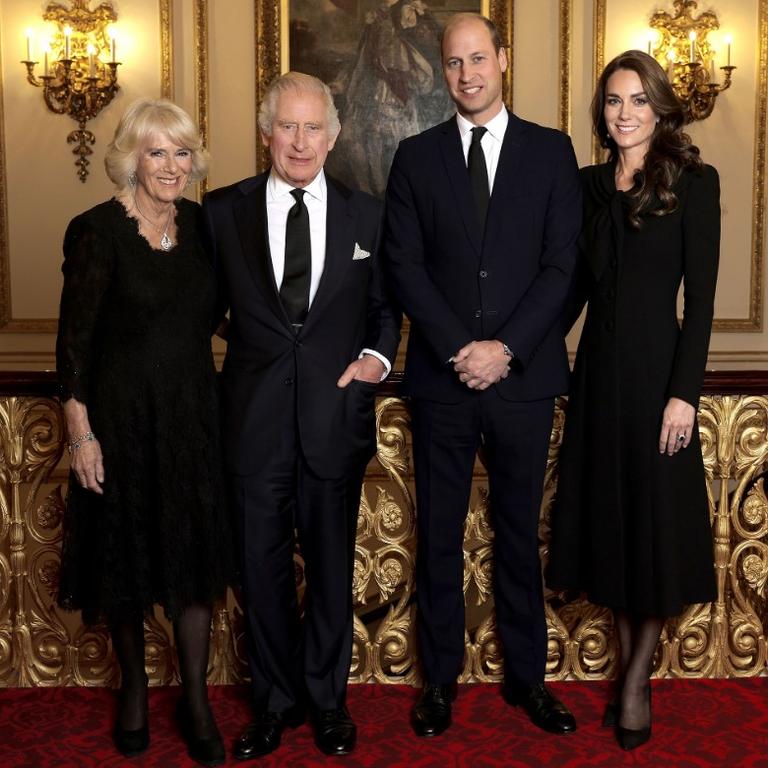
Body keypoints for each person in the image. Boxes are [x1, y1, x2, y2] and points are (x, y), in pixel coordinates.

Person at [383, 13, 581, 738]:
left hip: (523, 382)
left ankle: (527, 680)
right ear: (443, 71)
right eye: (453, 62)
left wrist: (506, 349)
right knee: (436, 535)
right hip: (442, 382)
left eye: (478, 58)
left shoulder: (552, 152)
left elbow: (563, 266)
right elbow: (403, 266)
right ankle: (439, 683)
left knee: (518, 534)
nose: (467, 73)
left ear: (502, 59)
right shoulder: (415, 157)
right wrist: (461, 348)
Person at [203, 72, 400, 759]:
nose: (300, 141)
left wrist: (374, 359)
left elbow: (383, 309)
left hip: (331, 422)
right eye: (287, 126)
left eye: (313, 127)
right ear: (266, 133)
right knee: (260, 578)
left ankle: (326, 702)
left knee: (329, 572)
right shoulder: (220, 210)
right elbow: (196, 308)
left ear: (334, 136)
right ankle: (273, 704)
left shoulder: (366, 215)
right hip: (252, 425)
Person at [546, 50, 719, 751]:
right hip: (598, 381)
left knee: (651, 531)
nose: (624, 113)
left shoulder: (694, 182)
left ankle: (636, 681)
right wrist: (513, 351)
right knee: (613, 531)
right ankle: (628, 672)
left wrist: (684, 395)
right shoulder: (587, 187)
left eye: (638, 101)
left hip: (657, 384)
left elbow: (701, 305)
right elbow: (571, 290)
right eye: (614, 101)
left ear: (660, 107)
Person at [56, 98, 233, 767]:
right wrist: (82, 434)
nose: (171, 166)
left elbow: (222, 316)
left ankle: (195, 698)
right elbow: (72, 344)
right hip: (121, 425)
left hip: (192, 420)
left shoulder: (203, 226)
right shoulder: (97, 231)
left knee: (193, 568)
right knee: (125, 564)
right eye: (156, 152)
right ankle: (133, 688)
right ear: (131, 157)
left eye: (182, 152)